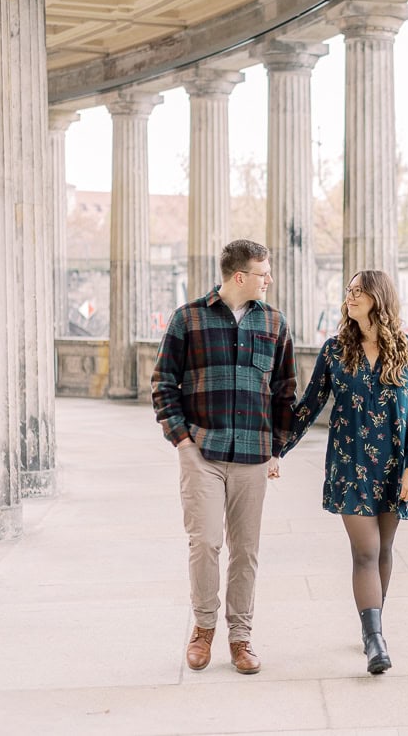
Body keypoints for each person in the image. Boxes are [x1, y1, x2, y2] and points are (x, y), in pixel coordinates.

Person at [151, 239, 296, 675]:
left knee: (246, 550)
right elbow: (163, 384)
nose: (269, 279)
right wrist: (182, 441)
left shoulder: (274, 322)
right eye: (262, 272)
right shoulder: (188, 318)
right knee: (205, 543)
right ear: (239, 276)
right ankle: (203, 629)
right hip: (203, 453)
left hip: (253, 455)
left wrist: (277, 448)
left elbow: (285, 391)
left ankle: (241, 637)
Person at [280, 269, 408, 675]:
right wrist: (277, 450)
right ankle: (375, 642)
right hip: (350, 467)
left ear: (378, 298)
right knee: (364, 551)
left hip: (394, 469)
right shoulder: (335, 351)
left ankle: (373, 623)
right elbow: (309, 407)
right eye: (348, 291)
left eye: (359, 291)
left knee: (383, 549)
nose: (350, 297)